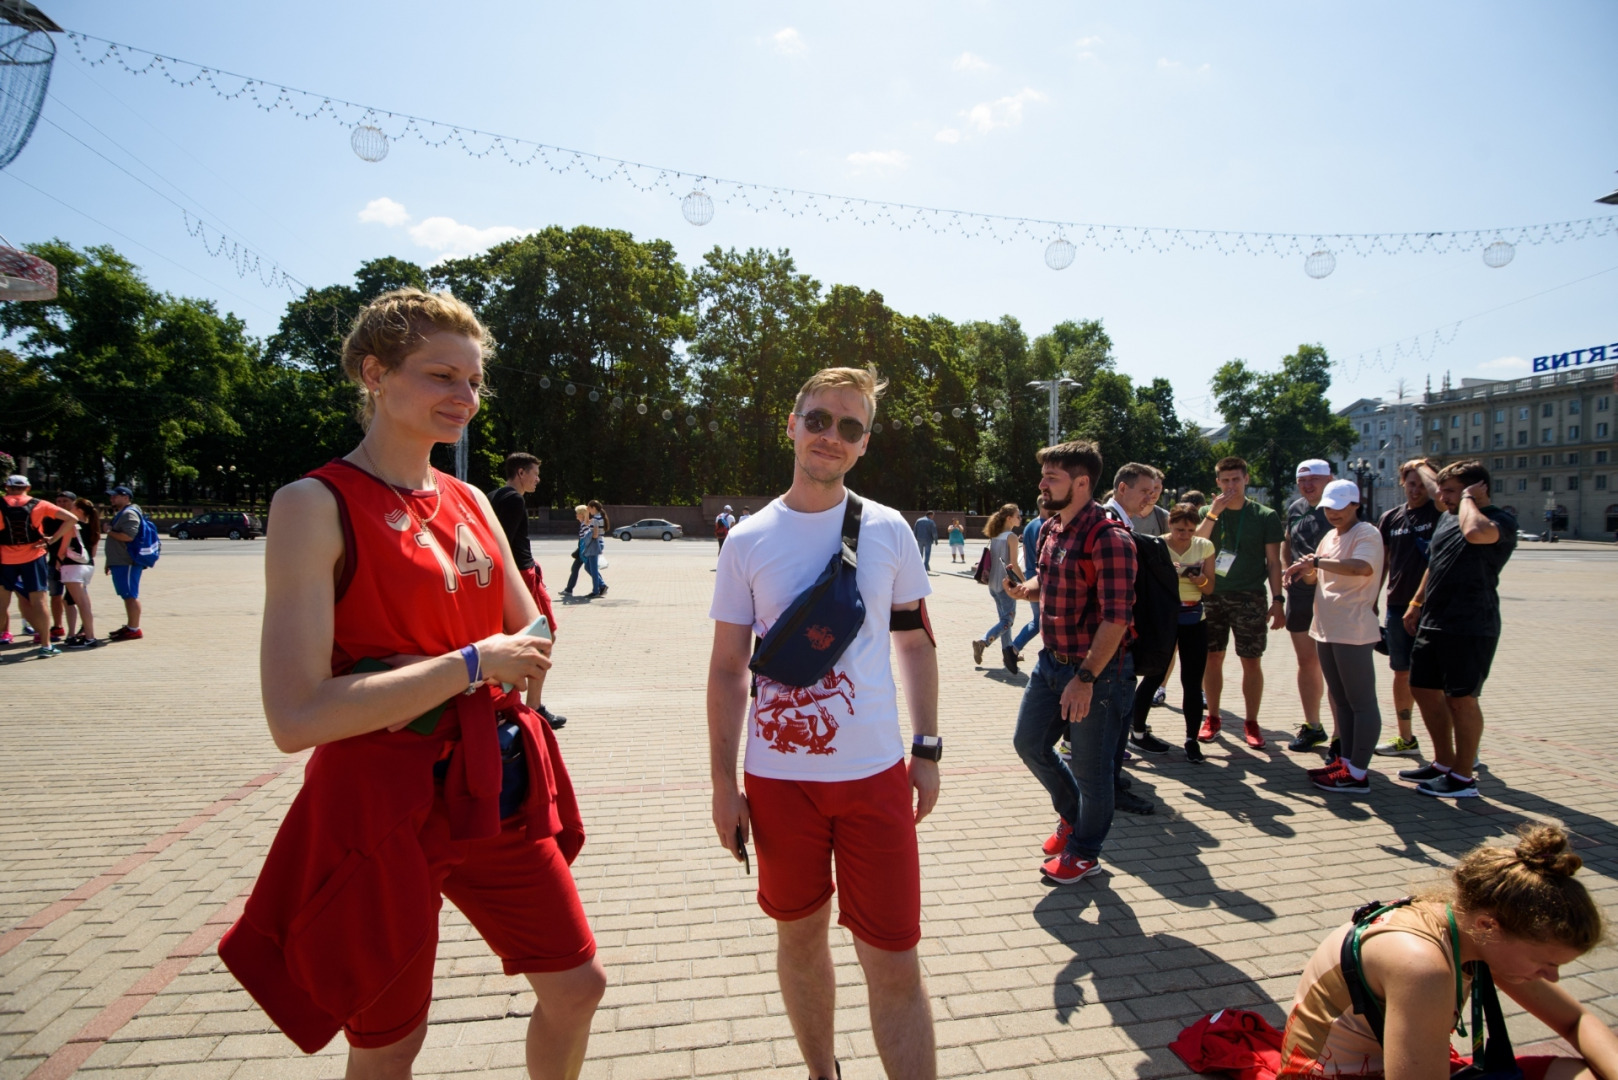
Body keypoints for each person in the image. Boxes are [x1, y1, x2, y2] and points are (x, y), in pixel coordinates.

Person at [217, 288, 605, 1076]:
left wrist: (420, 675)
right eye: (439, 376)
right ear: (374, 373)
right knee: (391, 1036)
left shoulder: (471, 503)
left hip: (489, 788)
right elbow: (295, 715)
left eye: (472, 381)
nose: (463, 398)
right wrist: (467, 665)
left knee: (577, 985)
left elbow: (532, 637)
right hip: (379, 803)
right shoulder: (313, 504)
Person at [707, 366, 939, 1080]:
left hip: (873, 780)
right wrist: (723, 785)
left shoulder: (891, 529)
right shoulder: (747, 540)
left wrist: (926, 747)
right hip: (779, 783)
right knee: (800, 937)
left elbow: (915, 642)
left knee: (894, 958)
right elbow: (725, 669)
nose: (830, 436)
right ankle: (821, 1073)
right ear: (791, 424)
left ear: (865, 443)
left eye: (849, 426)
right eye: (817, 419)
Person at [1279, 824, 1615, 1080]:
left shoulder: (1471, 926)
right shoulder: (1422, 966)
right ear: (1489, 926)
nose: (1553, 976)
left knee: (1580, 1071)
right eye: (1546, 963)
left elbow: (1576, 1020)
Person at [1005, 441, 1137, 886]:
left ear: (1082, 483)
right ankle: (1072, 815)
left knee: (1092, 772)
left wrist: (1085, 678)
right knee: (1029, 744)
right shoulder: (1051, 528)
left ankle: (1086, 851)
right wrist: (1029, 590)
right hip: (1050, 663)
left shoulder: (1110, 537)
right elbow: (1053, 575)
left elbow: (1117, 617)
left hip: (1096, 673)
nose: (1042, 485)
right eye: (1043, 476)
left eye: (1052, 478)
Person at [1397, 461, 1516, 799]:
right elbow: (1435, 565)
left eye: (1451, 492)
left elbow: (1477, 534)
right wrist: (1416, 603)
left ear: (1477, 488)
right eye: (1444, 490)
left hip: (1471, 624)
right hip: (1434, 621)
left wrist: (1466, 499)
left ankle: (1463, 778)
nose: (1442, 497)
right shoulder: (1449, 516)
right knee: (1421, 688)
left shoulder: (1499, 521)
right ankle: (1443, 763)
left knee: (1461, 700)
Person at [1282, 480, 1384, 795]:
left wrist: (1316, 562)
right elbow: (1320, 575)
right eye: (1328, 507)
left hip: (1353, 630)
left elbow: (1361, 568)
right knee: (1341, 700)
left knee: (1361, 702)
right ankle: (1346, 762)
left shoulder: (1366, 533)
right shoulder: (1329, 536)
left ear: (1356, 504)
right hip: (1326, 628)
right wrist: (1306, 569)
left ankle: (1357, 772)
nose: (1333, 513)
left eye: (1340, 506)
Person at [1194, 457, 1285, 749]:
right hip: (1212, 594)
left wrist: (1279, 599)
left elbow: (1273, 562)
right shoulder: (1208, 511)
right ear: (1217, 482)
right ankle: (1214, 717)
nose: (1230, 485)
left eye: (1236, 479)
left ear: (1246, 479)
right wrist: (1214, 514)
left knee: (1250, 660)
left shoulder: (1264, 515)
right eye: (1225, 480)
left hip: (1250, 596)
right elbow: (1195, 547)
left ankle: (1251, 721)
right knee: (1213, 657)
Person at [488, 453, 566, 730]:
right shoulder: (513, 499)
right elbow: (501, 546)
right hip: (521, 576)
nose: (538, 479)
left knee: (514, 638)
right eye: (534, 473)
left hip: (511, 577)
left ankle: (510, 704)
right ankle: (533, 707)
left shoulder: (493, 495)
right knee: (545, 637)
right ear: (521, 473)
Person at [1373, 460, 1441, 758]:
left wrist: (1427, 473)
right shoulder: (1391, 518)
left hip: (1433, 607)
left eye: (1422, 484)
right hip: (1398, 606)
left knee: (1437, 678)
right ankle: (1406, 738)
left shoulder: (1441, 513)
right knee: (1401, 673)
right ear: (1402, 483)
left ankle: (1456, 744)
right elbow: (1383, 563)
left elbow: (1440, 493)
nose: (1416, 490)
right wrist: (1371, 600)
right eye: (1410, 483)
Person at [1108, 463, 1175, 764]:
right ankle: (1109, 781)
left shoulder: (1123, 523)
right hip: (1112, 637)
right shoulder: (1110, 525)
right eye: (1145, 491)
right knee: (1110, 710)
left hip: (1118, 636)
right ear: (1123, 488)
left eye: (1154, 492)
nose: (1151, 498)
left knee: (1116, 710)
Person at [1282, 460, 1336, 754]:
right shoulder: (1295, 508)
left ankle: (1342, 735)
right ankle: (1313, 726)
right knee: (1307, 662)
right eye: (1303, 480)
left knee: (1335, 666)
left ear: (1330, 478)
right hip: (1301, 593)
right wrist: (1284, 569)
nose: (1308, 485)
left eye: (1315, 479)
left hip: (1332, 593)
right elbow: (1288, 542)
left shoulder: (1338, 508)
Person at [1159, 505, 1215, 761]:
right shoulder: (1158, 545)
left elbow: (1210, 588)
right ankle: (1137, 731)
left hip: (1194, 617)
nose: (1185, 535)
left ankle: (1192, 739)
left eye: (1191, 530)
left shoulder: (1204, 546)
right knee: (1153, 676)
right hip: (1165, 616)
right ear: (1170, 524)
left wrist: (1197, 578)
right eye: (1180, 529)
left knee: (1192, 683)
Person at [2, 474, 81, 658]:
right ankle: (46, 645)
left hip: (4, 558)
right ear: (27, 488)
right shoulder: (40, 504)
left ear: (7, 487)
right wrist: (52, 539)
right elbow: (72, 519)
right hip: (33, 556)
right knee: (39, 601)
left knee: (1, 603)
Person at [971, 503, 1023, 674]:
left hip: (993, 584)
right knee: (1008, 621)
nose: (1020, 518)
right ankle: (983, 641)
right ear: (1009, 518)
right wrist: (1025, 581)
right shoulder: (1011, 537)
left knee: (1004, 619)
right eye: (1018, 515)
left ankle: (1009, 654)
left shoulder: (995, 535)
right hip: (1006, 584)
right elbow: (1013, 564)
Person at [52, 496, 103, 648]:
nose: (70, 509)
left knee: (81, 603)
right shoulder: (94, 526)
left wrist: (58, 559)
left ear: (79, 511)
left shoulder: (72, 525)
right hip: (87, 566)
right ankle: (72, 635)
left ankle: (89, 637)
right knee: (69, 600)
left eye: (73, 507)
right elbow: (93, 552)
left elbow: (64, 546)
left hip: (72, 566)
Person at [103, 485, 147, 641]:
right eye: (111, 496)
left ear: (126, 498)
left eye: (115, 496)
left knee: (130, 595)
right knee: (127, 595)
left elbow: (129, 536)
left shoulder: (129, 513)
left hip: (127, 561)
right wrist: (110, 561)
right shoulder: (123, 513)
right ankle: (130, 626)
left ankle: (134, 629)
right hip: (120, 561)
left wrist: (108, 531)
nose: (112, 498)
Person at [1010, 499, 1050, 657]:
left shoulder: (1029, 526)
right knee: (1041, 621)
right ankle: (1014, 647)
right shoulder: (1049, 526)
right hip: (1042, 577)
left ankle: (1014, 648)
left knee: (1039, 619)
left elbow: (1025, 553)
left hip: (1031, 573)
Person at [563, 505, 607, 598]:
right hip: (584, 550)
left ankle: (599, 587)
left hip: (585, 551)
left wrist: (583, 551)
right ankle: (601, 586)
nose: (576, 515)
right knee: (587, 568)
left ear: (581, 514)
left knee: (589, 568)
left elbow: (587, 538)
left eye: (577, 513)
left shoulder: (585, 524)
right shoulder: (584, 523)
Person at [1128, 469, 1171, 536]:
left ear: (1161, 488)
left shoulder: (1165, 517)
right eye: (1148, 487)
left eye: (1156, 487)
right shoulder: (1122, 514)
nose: (1153, 492)